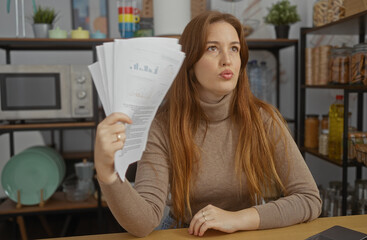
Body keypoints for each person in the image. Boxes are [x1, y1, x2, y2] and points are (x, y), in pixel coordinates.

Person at [94, 10, 321, 238]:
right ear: (190, 63)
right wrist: (107, 173)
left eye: (234, 48)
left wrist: (237, 219)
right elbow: (143, 223)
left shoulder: (263, 119)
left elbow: (309, 198)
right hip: (183, 233)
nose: (227, 59)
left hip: (243, 231)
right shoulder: (162, 126)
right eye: (212, 48)